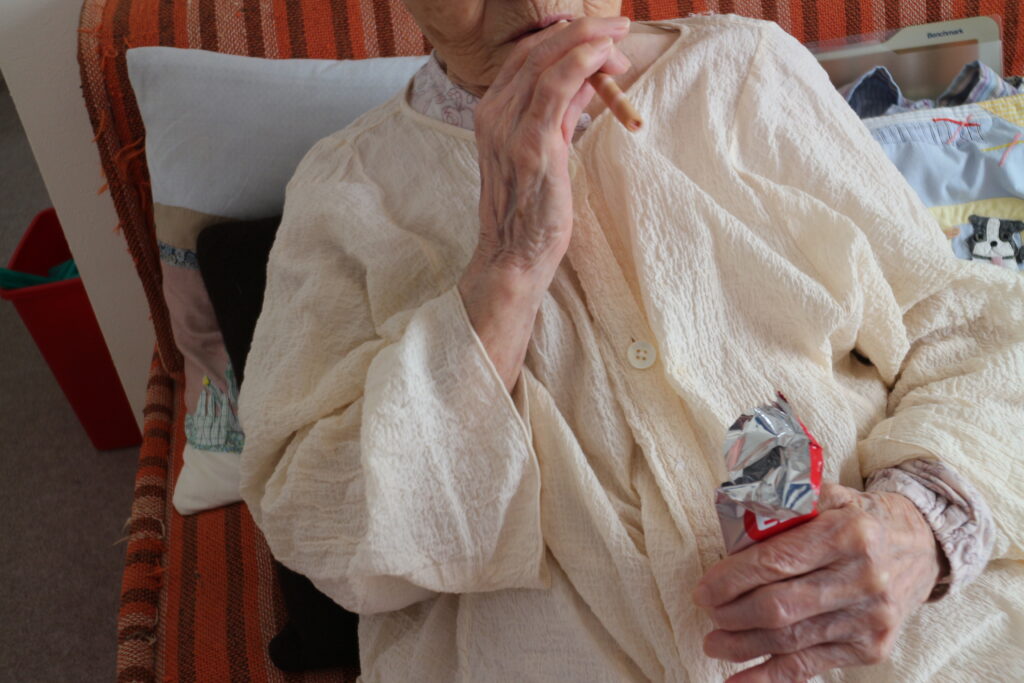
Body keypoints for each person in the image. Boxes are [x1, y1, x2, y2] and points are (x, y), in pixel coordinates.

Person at [238, 2, 1024, 680]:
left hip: (927, 649)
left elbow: (967, 324)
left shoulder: (745, 68)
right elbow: (324, 525)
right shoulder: (344, 187)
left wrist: (923, 525)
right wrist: (507, 265)